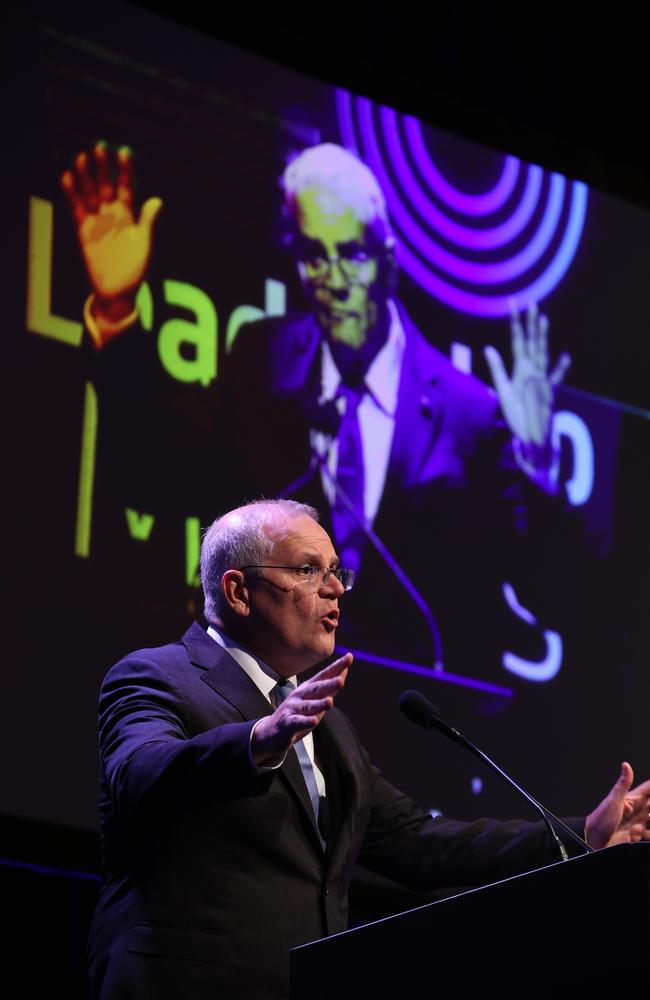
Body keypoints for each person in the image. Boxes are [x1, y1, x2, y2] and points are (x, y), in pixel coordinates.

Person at [87, 497, 650, 999]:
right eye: (308, 571)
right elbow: (140, 774)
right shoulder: (156, 677)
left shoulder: (330, 728)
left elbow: (418, 842)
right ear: (237, 591)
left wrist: (579, 838)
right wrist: (259, 740)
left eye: (336, 572)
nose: (334, 590)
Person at [61, 142, 575, 674]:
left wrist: (536, 458)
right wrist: (117, 311)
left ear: (387, 260)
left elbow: (538, 580)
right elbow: (160, 477)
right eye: (314, 254)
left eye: (351, 254)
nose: (333, 279)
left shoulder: (468, 412)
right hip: (266, 704)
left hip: (411, 715)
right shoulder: (262, 362)